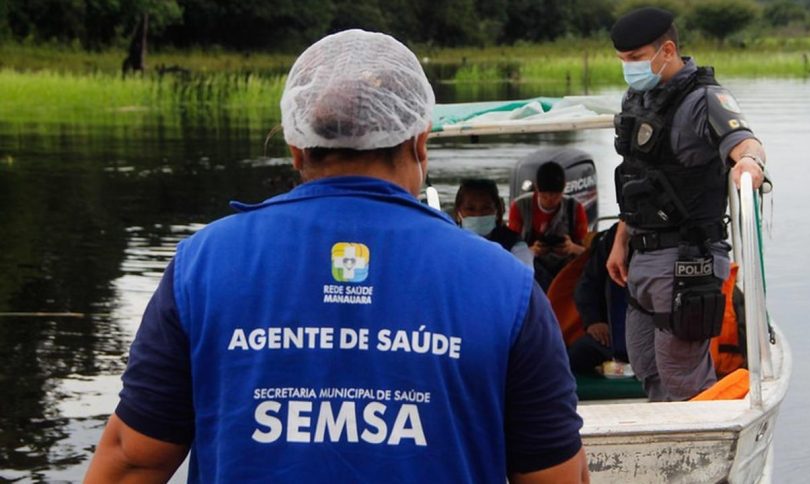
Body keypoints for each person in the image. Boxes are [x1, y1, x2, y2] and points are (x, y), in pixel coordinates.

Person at [84, 30, 589, 483]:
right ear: (420, 143)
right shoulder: (505, 284)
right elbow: (557, 477)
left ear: (296, 148)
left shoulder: (205, 264)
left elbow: (133, 460)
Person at [605, 7, 767, 401]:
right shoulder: (638, 98)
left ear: (667, 50)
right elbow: (639, 176)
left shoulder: (705, 99)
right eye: (623, 61)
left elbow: (744, 141)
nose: (629, 68)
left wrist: (750, 162)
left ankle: (706, 456)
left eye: (636, 59)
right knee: (645, 365)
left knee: (682, 376)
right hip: (642, 254)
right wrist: (621, 239)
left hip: (686, 256)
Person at [509, 160, 588, 290]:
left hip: (566, 269)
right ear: (536, 189)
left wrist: (572, 248)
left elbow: (587, 253)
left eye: (556, 196)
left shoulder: (575, 208)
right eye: (544, 196)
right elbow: (510, 253)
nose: (550, 200)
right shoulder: (519, 207)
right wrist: (532, 251)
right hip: (532, 269)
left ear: (563, 189)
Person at [569, 223, 629, 375]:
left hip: (661, 335)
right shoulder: (612, 238)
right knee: (575, 356)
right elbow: (588, 283)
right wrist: (593, 320)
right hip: (612, 336)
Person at [454, 178, 533, 267]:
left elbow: (524, 276)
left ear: (497, 211)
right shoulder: (449, 243)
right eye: (470, 209)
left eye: (486, 208)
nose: (478, 214)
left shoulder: (515, 246)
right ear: (458, 212)